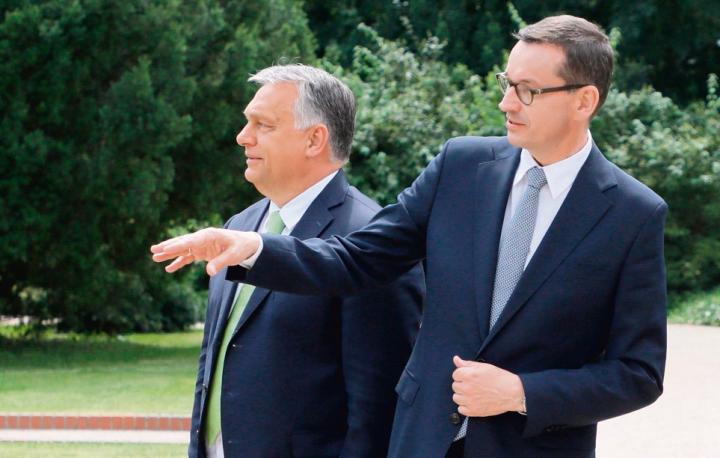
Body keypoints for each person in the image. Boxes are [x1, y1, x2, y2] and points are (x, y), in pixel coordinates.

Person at [153, 16, 667, 458]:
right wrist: (258, 249)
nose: (507, 102)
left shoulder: (632, 214)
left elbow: (638, 373)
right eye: (506, 83)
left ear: (584, 100)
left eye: (527, 90)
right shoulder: (460, 165)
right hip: (421, 442)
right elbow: (359, 259)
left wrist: (521, 393)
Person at [181, 65, 424, 458]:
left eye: (263, 125)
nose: (243, 137)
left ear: (315, 139)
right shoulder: (238, 226)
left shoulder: (371, 243)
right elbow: (215, 362)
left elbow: (377, 411)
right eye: (247, 122)